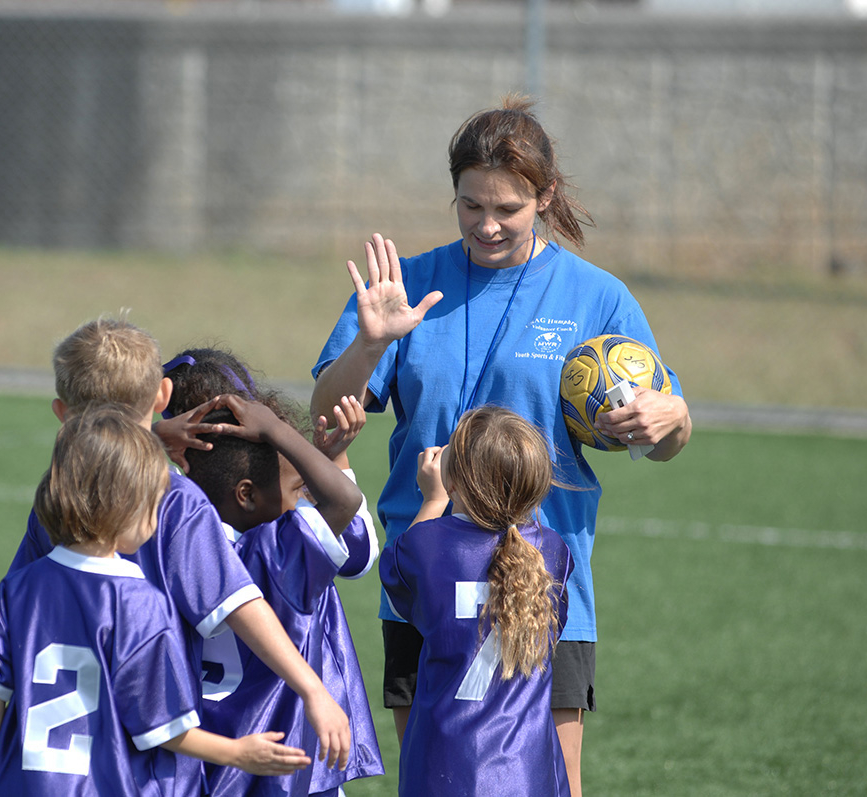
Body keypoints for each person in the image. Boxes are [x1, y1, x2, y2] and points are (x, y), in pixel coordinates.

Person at [311, 95, 692, 796]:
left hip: (542, 582)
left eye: (507, 209)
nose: (487, 225)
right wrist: (369, 344)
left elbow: (665, 434)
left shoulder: (598, 298)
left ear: (544, 197)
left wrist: (670, 418)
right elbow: (324, 414)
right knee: (436, 777)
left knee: (554, 781)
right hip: (425, 577)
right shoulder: (409, 287)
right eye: (470, 206)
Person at [6, 318, 351, 793]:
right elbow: (237, 603)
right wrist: (313, 688)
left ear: (63, 413)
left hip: (66, 753)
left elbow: (15, 620)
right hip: (156, 750)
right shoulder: (177, 500)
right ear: (162, 396)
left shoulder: (57, 498)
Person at [0, 406, 313, 796]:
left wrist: (0, 779)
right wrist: (237, 753)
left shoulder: (16, 587)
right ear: (126, 504)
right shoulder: (142, 603)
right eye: (153, 501)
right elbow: (163, 730)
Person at [181, 391, 385, 797]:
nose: (302, 501)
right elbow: (345, 504)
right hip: (283, 760)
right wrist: (280, 431)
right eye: (297, 490)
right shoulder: (276, 555)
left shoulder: (175, 547)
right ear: (247, 495)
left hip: (202, 759)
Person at [380, 406, 573, 796]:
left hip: (444, 762)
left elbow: (399, 575)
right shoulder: (551, 550)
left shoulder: (427, 544)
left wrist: (433, 501)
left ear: (457, 478)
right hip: (528, 768)